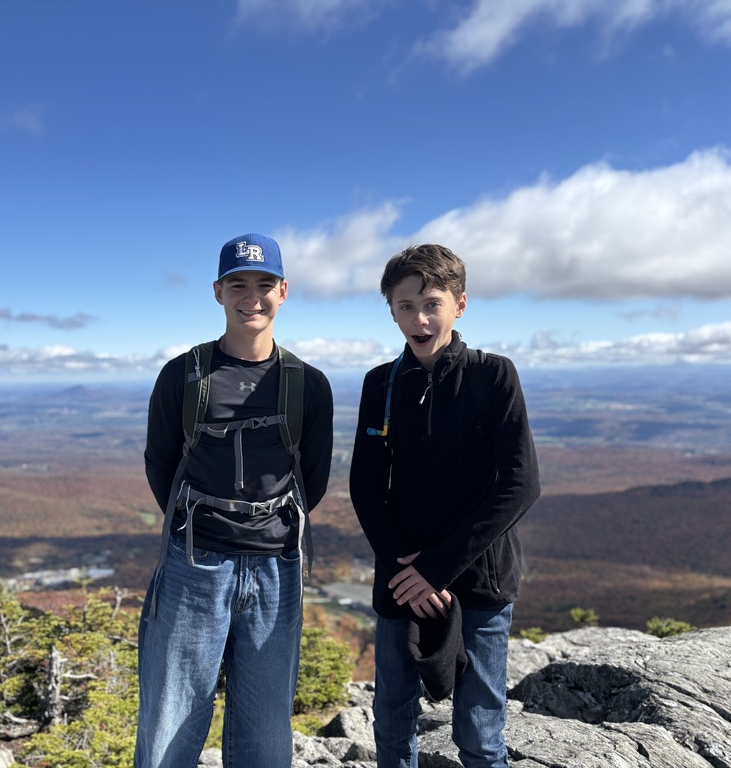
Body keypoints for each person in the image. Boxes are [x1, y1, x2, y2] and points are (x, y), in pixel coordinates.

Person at [135, 233, 334, 768]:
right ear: (218, 292)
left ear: (283, 291)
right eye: (238, 284)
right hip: (195, 562)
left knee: (265, 735)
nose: (252, 297)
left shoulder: (308, 385)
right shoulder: (183, 376)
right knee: (169, 725)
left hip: (276, 567)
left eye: (264, 284)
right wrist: (201, 525)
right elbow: (160, 464)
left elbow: (312, 479)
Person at [350, 244, 540, 768]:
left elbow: (521, 484)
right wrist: (405, 569)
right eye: (405, 306)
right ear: (391, 310)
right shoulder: (381, 384)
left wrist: (434, 570)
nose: (420, 319)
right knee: (391, 721)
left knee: (479, 731)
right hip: (401, 577)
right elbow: (365, 486)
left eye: (431, 303)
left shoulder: (492, 375)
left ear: (460, 304)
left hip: (479, 578)